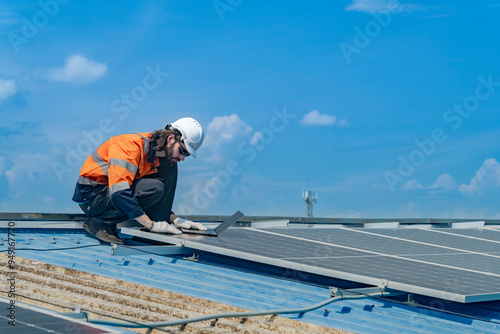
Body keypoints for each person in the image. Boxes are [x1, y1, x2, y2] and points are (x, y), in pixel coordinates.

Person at [72, 117, 207, 244]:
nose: (182, 158)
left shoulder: (161, 160)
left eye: (187, 155)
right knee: (154, 188)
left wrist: (175, 219)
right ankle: (100, 223)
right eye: (182, 150)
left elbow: (155, 199)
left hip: (108, 194)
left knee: (170, 166)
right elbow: (119, 193)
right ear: (171, 138)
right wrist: (151, 225)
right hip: (91, 197)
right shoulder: (130, 146)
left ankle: (154, 233)